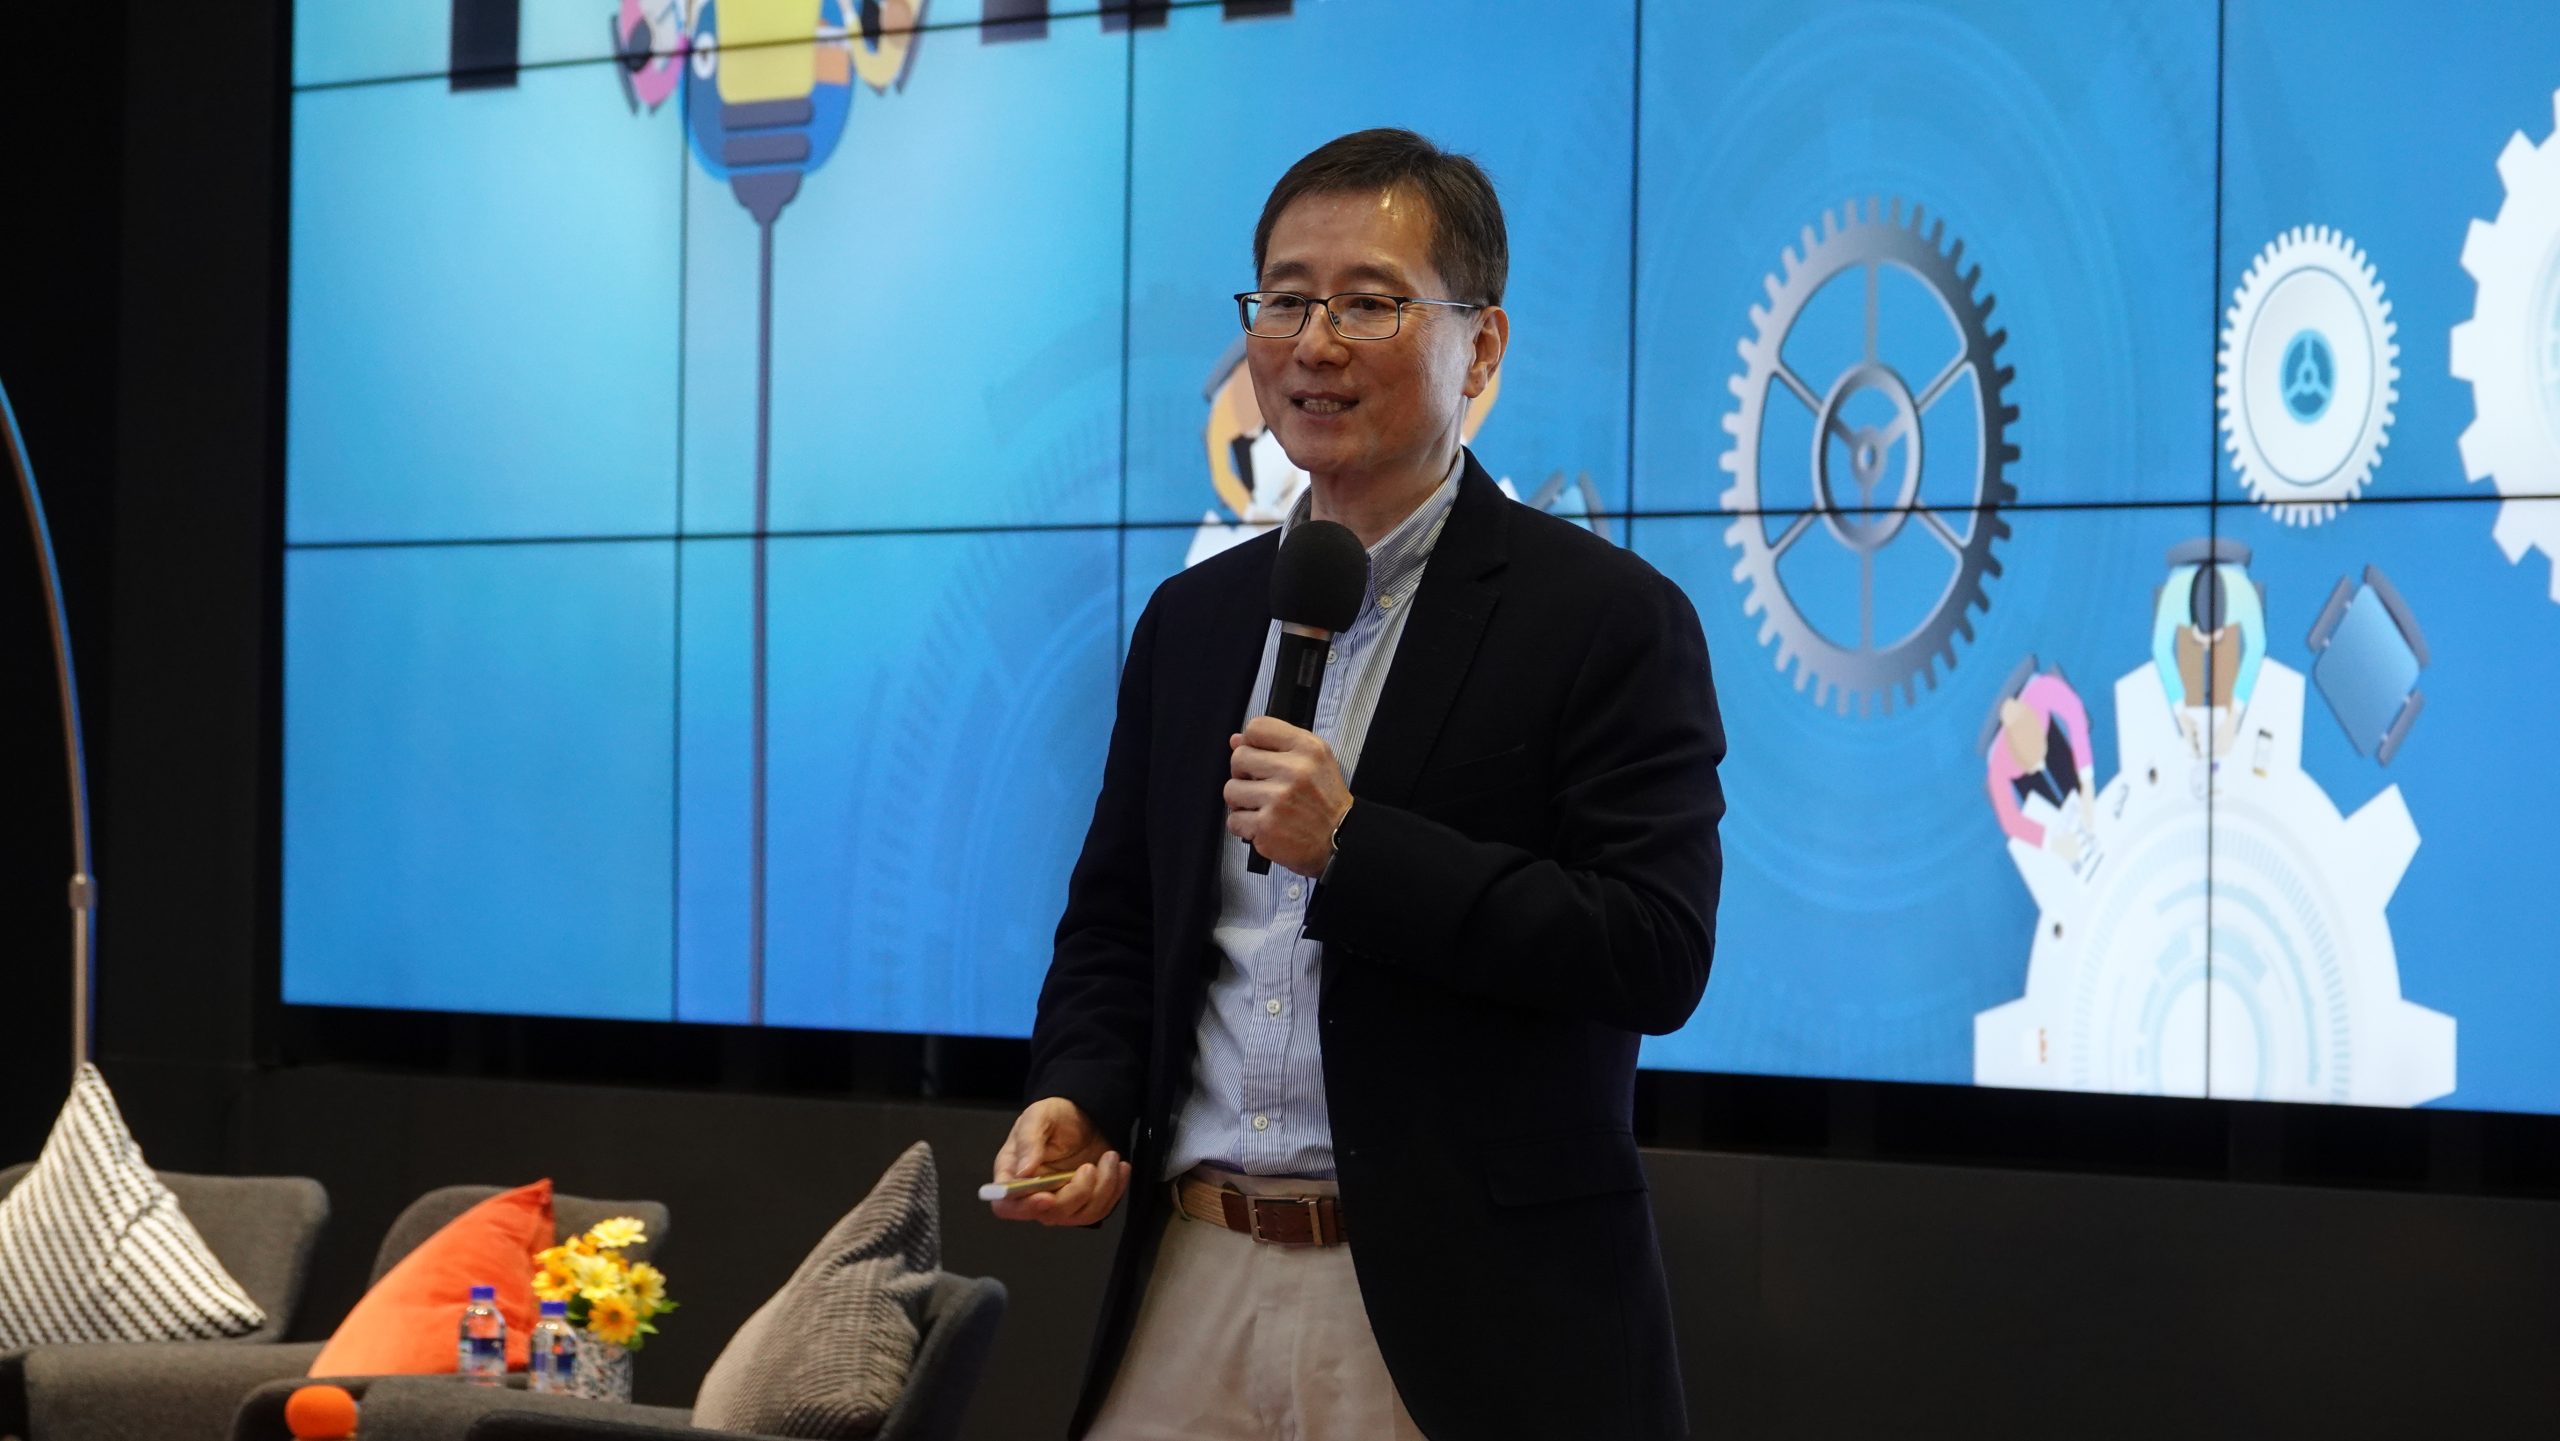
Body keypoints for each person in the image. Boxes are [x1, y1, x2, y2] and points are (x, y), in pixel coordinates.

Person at [990, 128, 1725, 1441]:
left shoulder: (1606, 618)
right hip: (1193, 1273)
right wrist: (1080, 1092)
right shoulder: (1194, 622)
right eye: (1284, 300)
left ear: (1481, 348)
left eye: (1369, 303)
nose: (1313, 344)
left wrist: (1357, 847)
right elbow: (1117, 924)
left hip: (1460, 1316)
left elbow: (1653, 949)